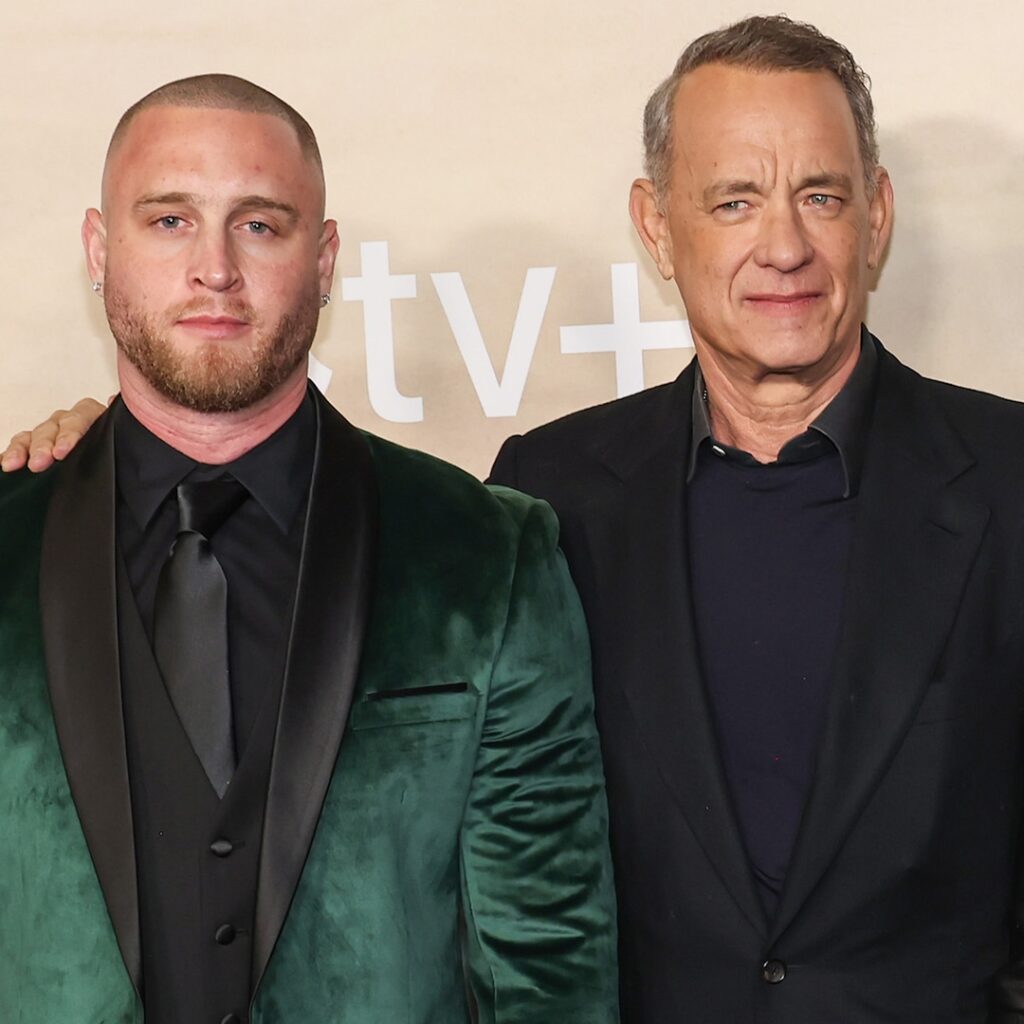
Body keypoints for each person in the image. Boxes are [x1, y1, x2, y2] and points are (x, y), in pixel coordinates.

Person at [13, 17, 1024, 1024]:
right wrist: (101, 471)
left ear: (876, 216)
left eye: (821, 196)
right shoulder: (555, 491)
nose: (784, 246)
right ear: (658, 229)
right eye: (734, 200)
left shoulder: (1008, 483)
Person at [0, 74, 618, 1023]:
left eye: (259, 224)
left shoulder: (488, 555)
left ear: (324, 261)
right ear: (99, 249)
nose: (215, 268)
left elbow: (549, 969)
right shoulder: (12, 534)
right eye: (169, 221)